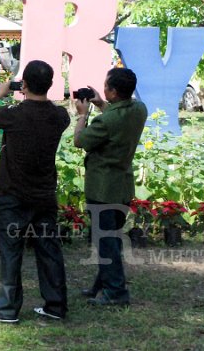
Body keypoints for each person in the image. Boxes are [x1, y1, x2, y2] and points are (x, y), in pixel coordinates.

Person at [0, 60, 70, 323]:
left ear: (24, 84)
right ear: (51, 85)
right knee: (49, 250)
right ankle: (56, 305)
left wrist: (0, 92)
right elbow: (60, 114)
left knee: (11, 252)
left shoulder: (13, 113)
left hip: (14, 195)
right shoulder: (59, 116)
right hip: (44, 195)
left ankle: (8, 310)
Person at [74, 67, 147, 307]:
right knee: (110, 238)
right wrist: (103, 103)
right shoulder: (139, 110)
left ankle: (115, 292)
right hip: (122, 186)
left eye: (106, 86)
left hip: (103, 188)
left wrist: (82, 115)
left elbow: (80, 141)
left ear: (114, 92)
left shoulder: (104, 121)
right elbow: (118, 120)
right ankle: (103, 284)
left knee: (106, 242)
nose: (102, 89)